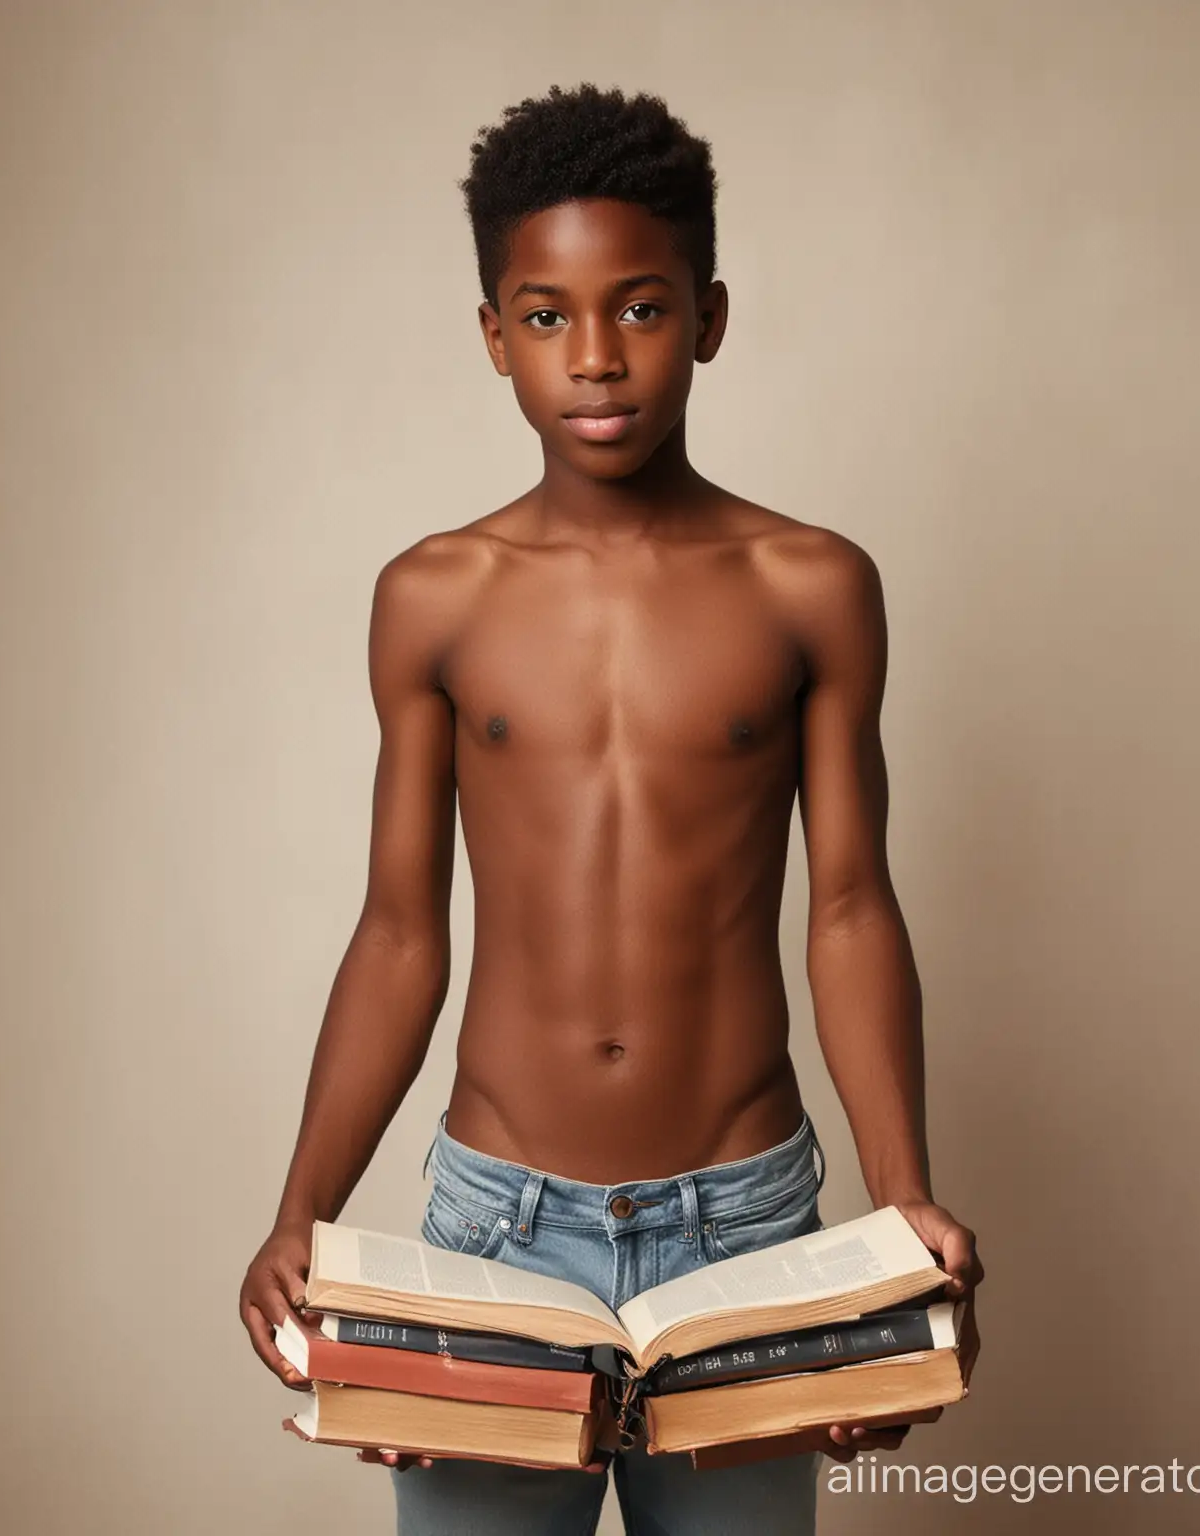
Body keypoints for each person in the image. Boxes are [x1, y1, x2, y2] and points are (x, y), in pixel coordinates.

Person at [241, 82, 983, 1535]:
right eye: (544, 317)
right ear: (492, 337)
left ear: (708, 316)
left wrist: (901, 1208)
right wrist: (299, 1213)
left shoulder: (811, 586)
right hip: (496, 1232)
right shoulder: (433, 598)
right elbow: (400, 932)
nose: (595, 359)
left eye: (639, 310)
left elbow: (847, 905)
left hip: (744, 1227)